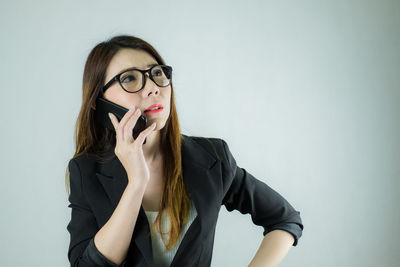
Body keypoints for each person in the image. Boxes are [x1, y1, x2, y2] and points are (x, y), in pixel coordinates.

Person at [65, 34, 304, 267]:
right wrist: (136, 183)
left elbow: (284, 218)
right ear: (99, 101)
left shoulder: (212, 157)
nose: (152, 88)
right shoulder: (85, 171)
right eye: (129, 79)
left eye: (157, 73)